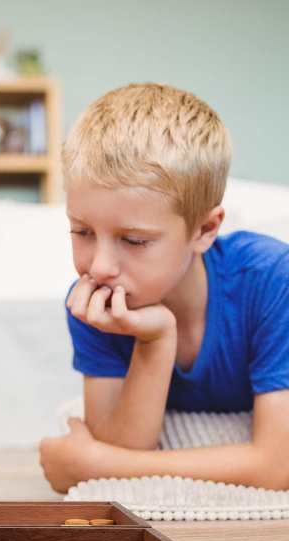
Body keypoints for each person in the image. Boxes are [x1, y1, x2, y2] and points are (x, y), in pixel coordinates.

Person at [40, 83, 289, 492]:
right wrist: (155, 340)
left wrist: (94, 464)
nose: (99, 267)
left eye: (134, 241)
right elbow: (121, 447)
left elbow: (278, 465)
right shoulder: (93, 302)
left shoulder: (273, 279)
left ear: (205, 230)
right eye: (81, 231)